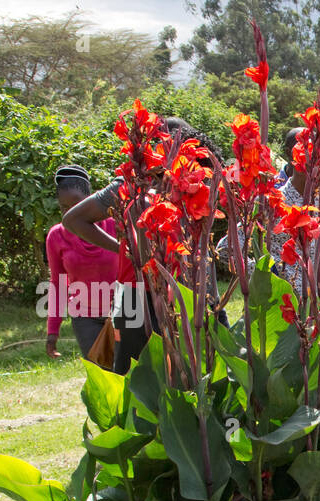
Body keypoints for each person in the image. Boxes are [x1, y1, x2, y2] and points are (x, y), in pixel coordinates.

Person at [64, 117, 221, 373]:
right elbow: (73, 219)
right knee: (138, 376)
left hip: (188, 290)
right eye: (160, 143)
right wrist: (125, 249)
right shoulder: (132, 186)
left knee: (194, 372)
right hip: (137, 295)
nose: (165, 150)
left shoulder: (197, 183)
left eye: (172, 144)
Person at [45, 165, 119, 360]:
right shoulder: (56, 236)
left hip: (123, 311)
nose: (70, 213)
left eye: (77, 206)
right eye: (64, 208)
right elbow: (58, 283)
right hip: (85, 317)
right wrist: (53, 332)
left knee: (126, 372)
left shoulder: (115, 225)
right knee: (100, 374)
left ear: (91, 200)